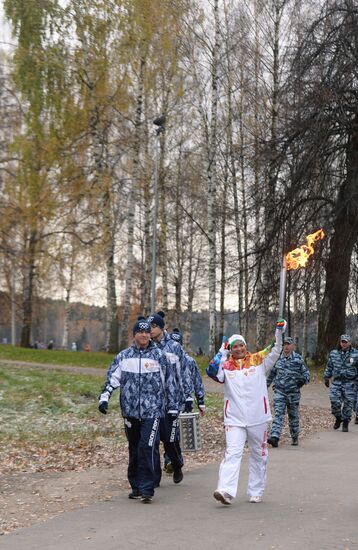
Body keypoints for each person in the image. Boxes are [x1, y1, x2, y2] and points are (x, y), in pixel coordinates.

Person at [98, 317, 178, 503]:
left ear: (150, 335)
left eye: (146, 332)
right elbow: (112, 378)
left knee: (147, 446)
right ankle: (135, 485)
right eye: (139, 332)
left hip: (153, 411)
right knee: (134, 448)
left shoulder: (159, 356)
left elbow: (170, 383)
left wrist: (173, 407)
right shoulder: (124, 356)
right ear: (134, 335)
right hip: (130, 411)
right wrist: (104, 398)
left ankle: (147, 487)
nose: (143, 335)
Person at [206, 319, 286, 505]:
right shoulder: (226, 367)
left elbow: (275, 349)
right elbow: (211, 371)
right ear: (231, 349)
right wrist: (222, 351)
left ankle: (256, 490)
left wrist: (279, 332)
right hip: (234, 418)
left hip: (258, 417)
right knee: (232, 453)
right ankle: (225, 490)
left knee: (259, 453)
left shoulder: (258, 361)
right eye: (234, 347)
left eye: (241, 345)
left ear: (245, 346)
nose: (239, 349)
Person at [147, 311, 193, 485]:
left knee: (170, 439)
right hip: (151, 403)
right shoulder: (147, 346)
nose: (150, 330)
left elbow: (184, 373)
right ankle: (154, 476)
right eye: (149, 326)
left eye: (154, 327)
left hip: (172, 401)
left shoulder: (174, 347)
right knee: (152, 440)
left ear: (161, 327)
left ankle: (176, 463)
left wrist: (188, 396)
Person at [266, 336, 310, 447]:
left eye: (288, 344)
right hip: (280, 392)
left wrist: (302, 381)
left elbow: (307, 374)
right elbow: (271, 375)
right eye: (284, 344)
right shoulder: (277, 360)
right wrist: (264, 387)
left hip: (293, 393)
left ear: (292, 346)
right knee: (278, 414)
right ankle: (275, 437)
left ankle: (295, 437)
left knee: (293, 416)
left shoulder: (298, 359)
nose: (286, 346)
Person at [323, 334, 358, 432]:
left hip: (350, 383)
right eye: (342, 342)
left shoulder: (356, 354)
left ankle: (345, 422)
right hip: (337, 382)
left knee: (348, 404)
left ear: (350, 343)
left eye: (346, 342)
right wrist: (326, 377)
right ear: (340, 342)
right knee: (334, 401)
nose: (344, 344)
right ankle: (338, 418)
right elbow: (329, 366)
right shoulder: (334, 353)